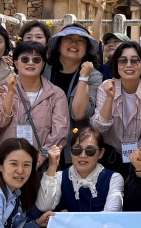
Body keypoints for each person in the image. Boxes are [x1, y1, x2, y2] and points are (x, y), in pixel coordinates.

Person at [0, 40, 69, 162]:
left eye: (36, 59)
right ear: (16, 63)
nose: (30, 63)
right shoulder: (2, 90)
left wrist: (41, 156)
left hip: (41, 161)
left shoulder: (56, 94)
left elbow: (60, 131)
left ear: (43, 64)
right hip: (6, 161)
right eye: (25, 59)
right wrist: (10, 93)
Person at [90, 41, 141, 173]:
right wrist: (110, 98)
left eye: (134, 60)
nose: (128, 65)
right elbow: (98, 128)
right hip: (109, 156)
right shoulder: (105, 87)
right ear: (116, 64)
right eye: (123, 60)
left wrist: (134, 159)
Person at [32, 127, 124, 215]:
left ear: (101, 153)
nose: (83, 155)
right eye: (77, 149)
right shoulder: (60, 177)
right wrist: (52, 167)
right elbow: (44, 207)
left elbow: (111, 215)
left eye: (90, 150)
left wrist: (68, 216)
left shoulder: (114, 178)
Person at [44, 25, 103, 157]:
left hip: (75, 148)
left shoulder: (94, 76)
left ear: (86, 49)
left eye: (80, 41)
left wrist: (83, 77)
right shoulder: (43, 70)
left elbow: (79, 114)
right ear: (59, 45)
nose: (74, 43)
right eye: (68, 39)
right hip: (42, 140)